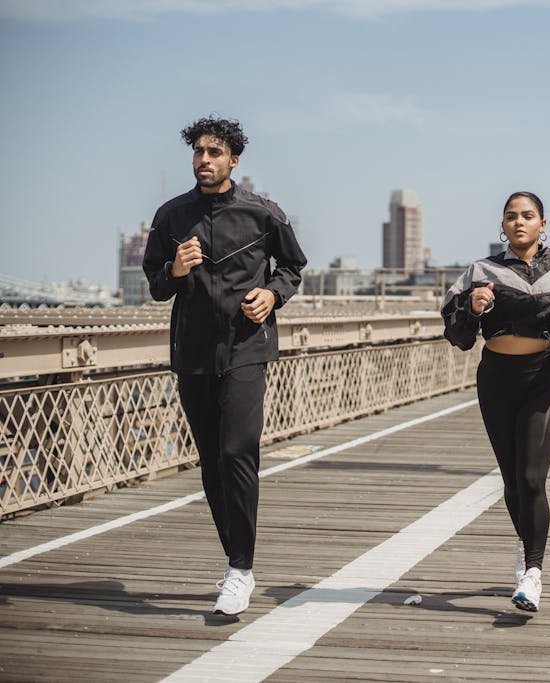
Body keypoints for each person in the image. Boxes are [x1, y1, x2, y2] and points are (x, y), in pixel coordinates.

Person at [142, 117, 306, 615]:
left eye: (215, 152)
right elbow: (156, 285)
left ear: (234, 160)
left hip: (245, 348)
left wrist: (270, 295)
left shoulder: (263, 214)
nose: (204, 159)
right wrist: (176, 267)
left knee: (238, 451)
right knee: (212, 461)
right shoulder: (171, 216)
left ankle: (240, 568)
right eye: (199, 152)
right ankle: (235, 561)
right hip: (192, 353)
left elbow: (293, 268)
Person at [441, 191, 550, 613]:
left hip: (545, 378)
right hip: (496, 379)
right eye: (511, 217)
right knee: (510, 479)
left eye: (528, 216)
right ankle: (528, 541)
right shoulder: (482, 271)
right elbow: (457, 336)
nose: (519, 222)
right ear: (503, 225)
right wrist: (473, 310)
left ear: (543, 223)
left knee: (530, 477)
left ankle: (533, 571)